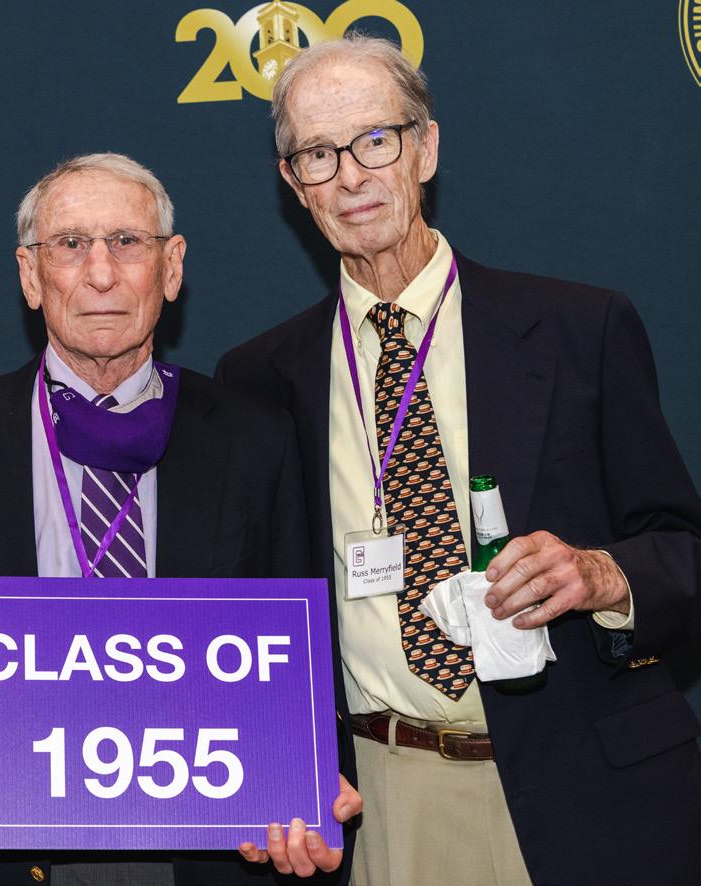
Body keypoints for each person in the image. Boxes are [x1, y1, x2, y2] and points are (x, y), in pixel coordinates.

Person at [216, 35, 701, 886]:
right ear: (293, 183)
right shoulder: (258, 379)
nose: (351, 176)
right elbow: (249, 612)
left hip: (584, 789)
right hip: (380, 805)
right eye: (319, 154)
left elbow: (682, 550)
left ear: (425, 148)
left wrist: (600, 575)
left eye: (375, 140)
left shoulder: (578, 330)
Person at [0, 152, 359, 885]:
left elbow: (302, 650)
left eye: (127, 242)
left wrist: (310, 778)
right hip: (14, 841)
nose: (100, 273)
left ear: (171, 267)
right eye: (70, 245)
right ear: (30, 275)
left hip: (205, 844)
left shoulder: (254, 438)